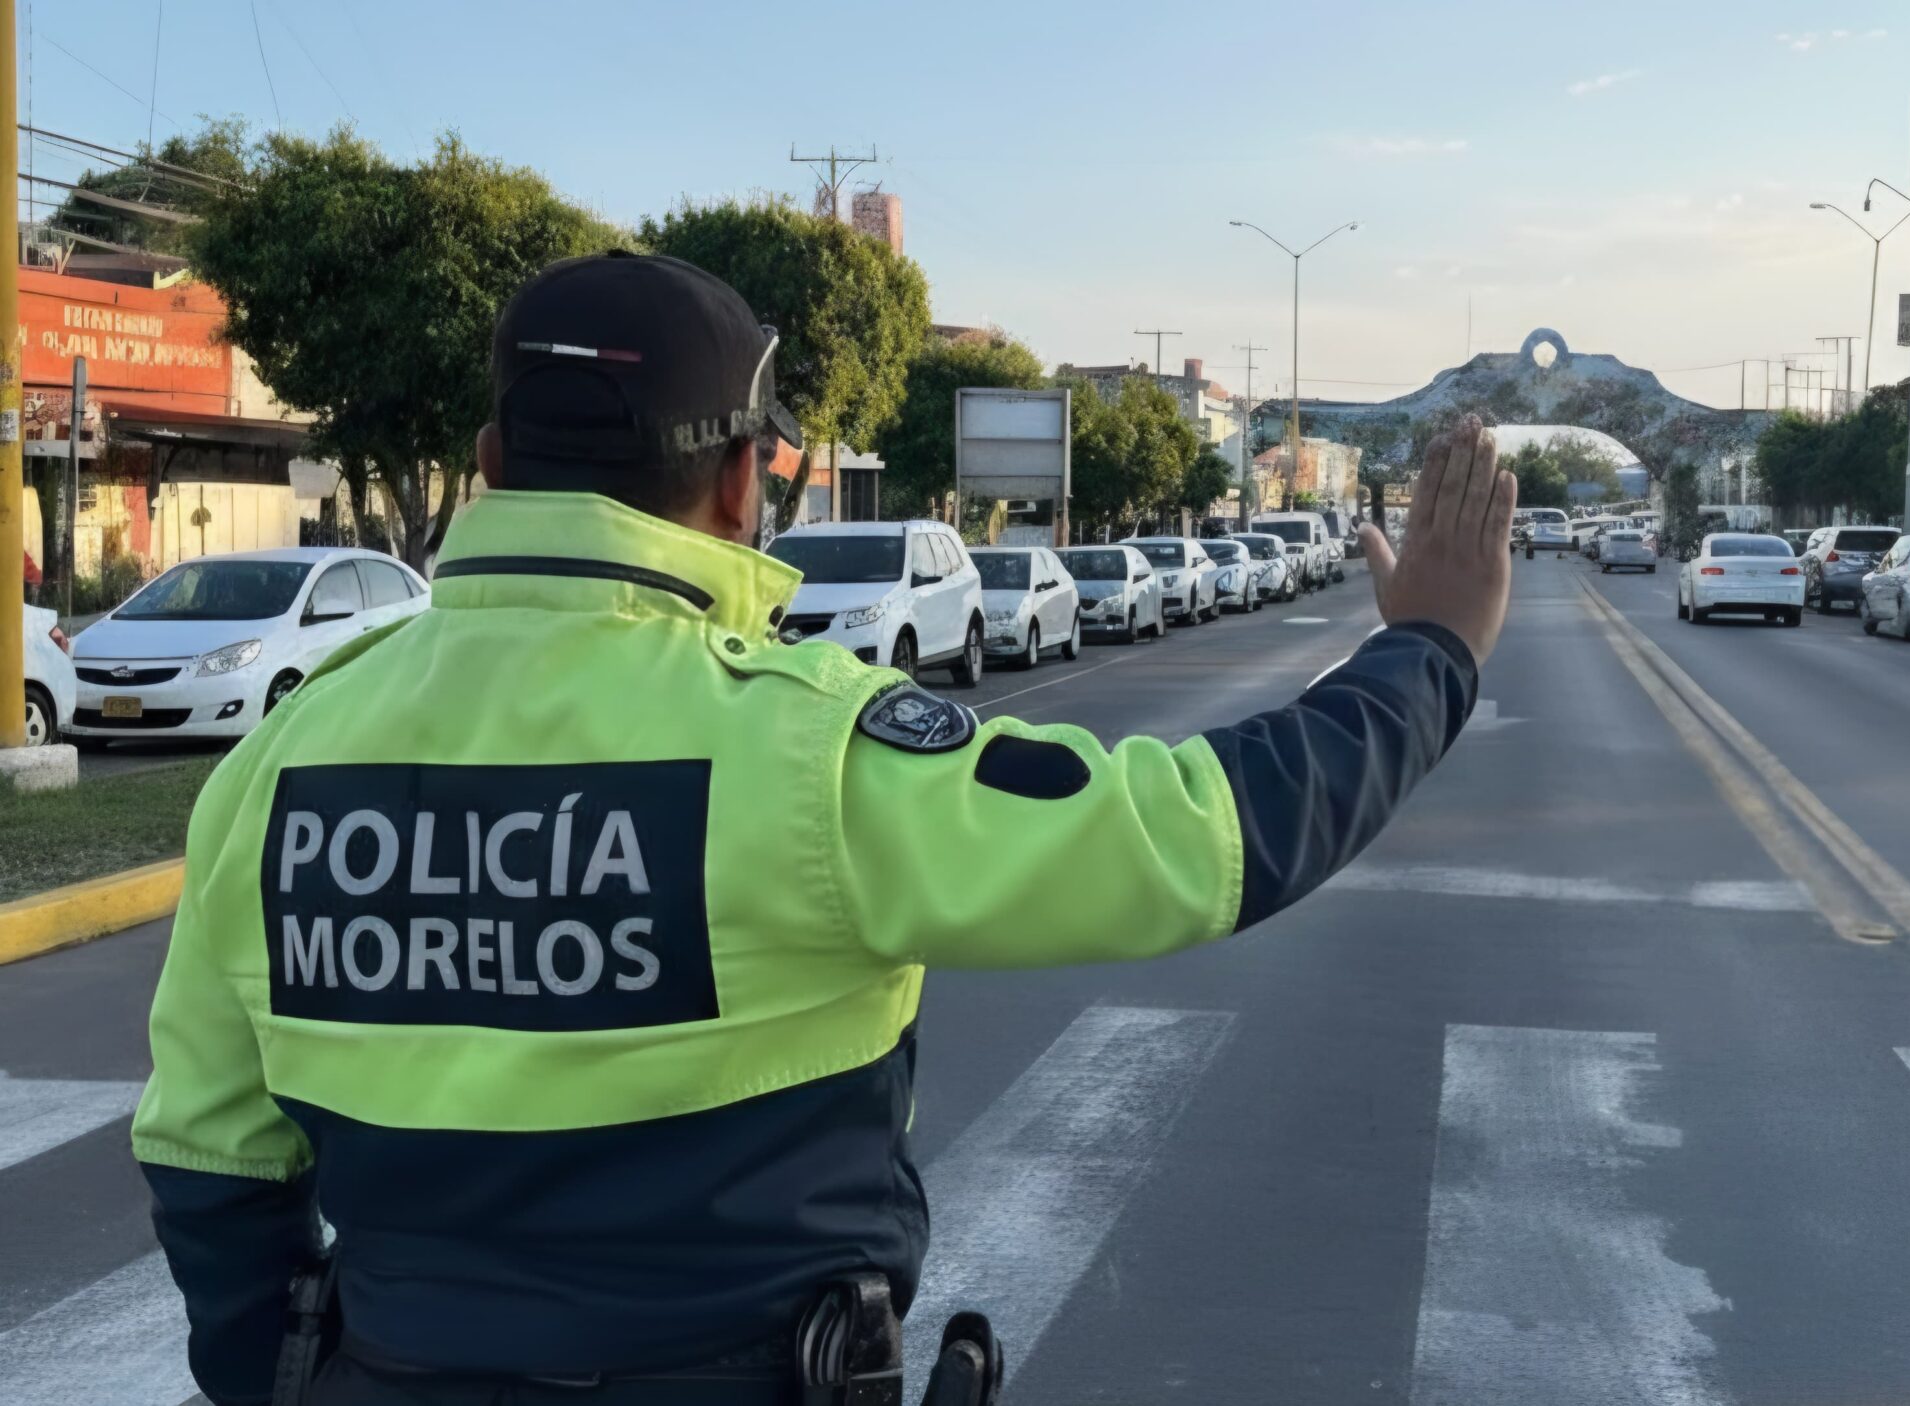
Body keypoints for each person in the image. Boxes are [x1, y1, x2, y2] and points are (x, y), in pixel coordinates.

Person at [129, 250, 1515, 1405]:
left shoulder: (278, 767)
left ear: (491, 462)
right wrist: (1431, 656)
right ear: (743, 484)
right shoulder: (806, 747)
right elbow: (1197, 838)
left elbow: (208, 1157)